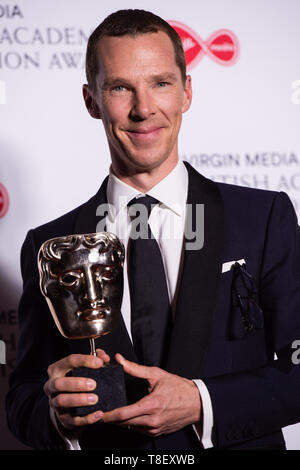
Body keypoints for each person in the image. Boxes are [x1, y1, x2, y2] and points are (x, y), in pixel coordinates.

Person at [6, 9, 300, 450]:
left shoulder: (263, 218)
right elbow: (22, 400)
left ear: (186, 92)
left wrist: (204, 402)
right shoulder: (48, 246)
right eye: (121, 87)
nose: (144, 109)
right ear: (92, 101)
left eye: (161, 83)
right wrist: (56, 416)